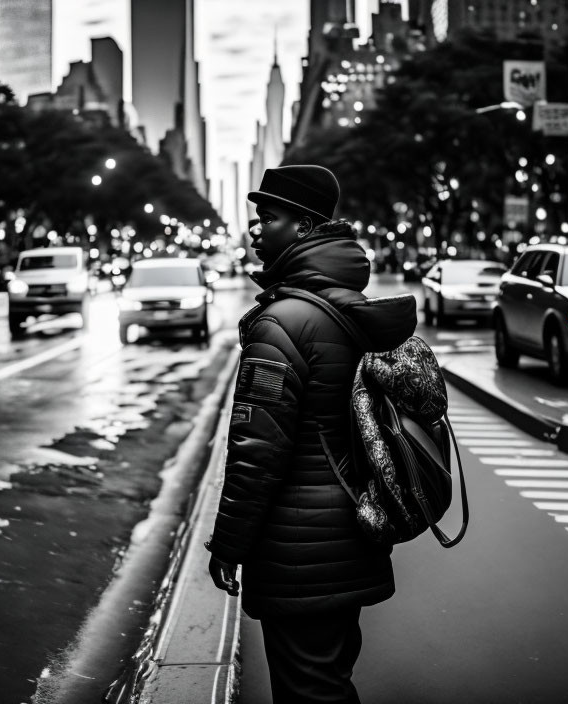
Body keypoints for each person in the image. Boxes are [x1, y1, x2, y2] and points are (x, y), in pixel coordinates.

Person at [205, 165, 416, 702]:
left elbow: (256, 454)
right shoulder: (343, 307)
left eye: (267, 217)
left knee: (310, 691)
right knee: (328, 679)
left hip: (298, 553)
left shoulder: (284, 321)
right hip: (350, 536)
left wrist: (228, 545)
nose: (256, 229)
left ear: (302, 227)